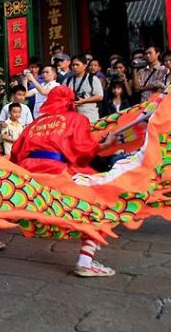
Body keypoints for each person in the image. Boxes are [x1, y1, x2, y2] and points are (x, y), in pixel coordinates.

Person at [6, 86, 119, 276]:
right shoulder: (76, 119)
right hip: (56, 170)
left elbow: (16, 150)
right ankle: (85, 261)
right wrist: (108, 144)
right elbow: (83, 150)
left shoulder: (37, 122)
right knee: (99, 203)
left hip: (28, 171)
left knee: (12, 200)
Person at [64, 55, 104, 124]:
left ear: (85, 66)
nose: (74, 67)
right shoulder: (67, 81)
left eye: (77, 65)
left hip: (90, 118)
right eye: (73, 65)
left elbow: (100, 96)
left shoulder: (93, 79)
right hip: (73, 119)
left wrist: (84, 101)